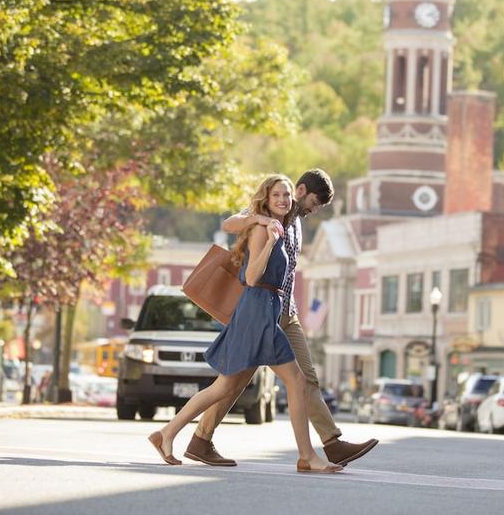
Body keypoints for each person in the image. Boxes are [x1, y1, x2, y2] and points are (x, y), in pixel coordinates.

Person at [183, 169, 379, 468]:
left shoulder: (298, 223)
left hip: (286, 314)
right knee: (233, 381)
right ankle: (198, 439)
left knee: (304, 378)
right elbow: (231, 223)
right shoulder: (270, 211)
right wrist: (257, 219)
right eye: (315, 202)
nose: (315, 210)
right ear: (300, 191)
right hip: (259, 313)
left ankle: (331, 443)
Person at [148, 174, 342, 474]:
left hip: (266, 311)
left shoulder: (280, 224)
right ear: (266, 197)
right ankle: (307, 456)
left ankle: (167, 434)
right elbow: (252, 277)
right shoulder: (262, 228)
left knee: (229, 387)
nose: (283, 201)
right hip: (256, 312)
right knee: (275, 383)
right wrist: (268, 238)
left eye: (287, 197)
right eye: (277, 195)